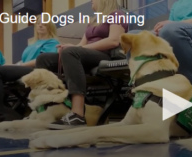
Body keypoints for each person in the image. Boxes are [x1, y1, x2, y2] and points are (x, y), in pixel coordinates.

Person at [36, 0, 128, 130]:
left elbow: (113, 41)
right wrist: (70, 47)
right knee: (43, 59)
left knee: (70, 53)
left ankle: (77, 114)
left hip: (104, 55)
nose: (91, 2)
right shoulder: (92, 21)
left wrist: (76, 50)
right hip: (86, 54)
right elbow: (81, 45)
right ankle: (46, 108)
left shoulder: (117, 14)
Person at [127, 0, 192, 103]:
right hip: (176, 29)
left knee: (171, 30)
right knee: (134, 38)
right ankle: (148, 98)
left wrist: (175, 24)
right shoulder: (177, 4)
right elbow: (167, 30)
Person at [0, 15, 59, 122]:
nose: (41, 25)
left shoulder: (52, 42)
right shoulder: (31, 45)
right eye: (39, 23)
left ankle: (2, 110)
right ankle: (7, 110)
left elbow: (41, 60)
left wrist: (18, 66)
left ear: (50, 27)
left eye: (44, 24)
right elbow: (24, 61)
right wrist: (13, 65)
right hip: (26, 69)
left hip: (39, 71)